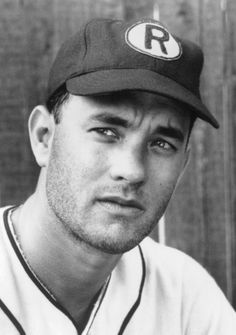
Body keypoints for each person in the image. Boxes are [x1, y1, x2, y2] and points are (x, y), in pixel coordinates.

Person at [0, 17, 235, 335]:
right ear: (44, 137)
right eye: (106, 130)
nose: (132, 170)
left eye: (162, 143)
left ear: (183, 166)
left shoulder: (184, 294)